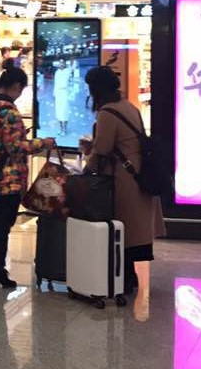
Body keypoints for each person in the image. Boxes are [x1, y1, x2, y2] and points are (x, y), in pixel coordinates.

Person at [82, 66, 165, 302]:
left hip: (124, 176)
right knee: (135, 228)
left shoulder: (107, 112)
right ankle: (131, 277)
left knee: (122, 228)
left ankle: (124, 278)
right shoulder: (128, 106)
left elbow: (103, 149)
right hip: (139, 172)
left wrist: (87, 163)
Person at [0, 66, 55, 288]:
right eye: (21, 89)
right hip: (8, 176)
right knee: (4, 222)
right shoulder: (10, 112)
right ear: (15, 86)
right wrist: (43, 143)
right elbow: (15, 147)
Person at [53, 58, 72, 137]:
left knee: (64, 111)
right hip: (58, 93)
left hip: (65, 93)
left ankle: (65, 129)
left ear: (65, 63)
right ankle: (60, 128)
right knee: (58, 111)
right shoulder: (57, 72)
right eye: (60, 62)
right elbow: (55, 83)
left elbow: (70, 82)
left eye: (62, 62)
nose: (61, 64)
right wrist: (54, 94)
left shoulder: (68, 71)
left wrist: (70, 94)